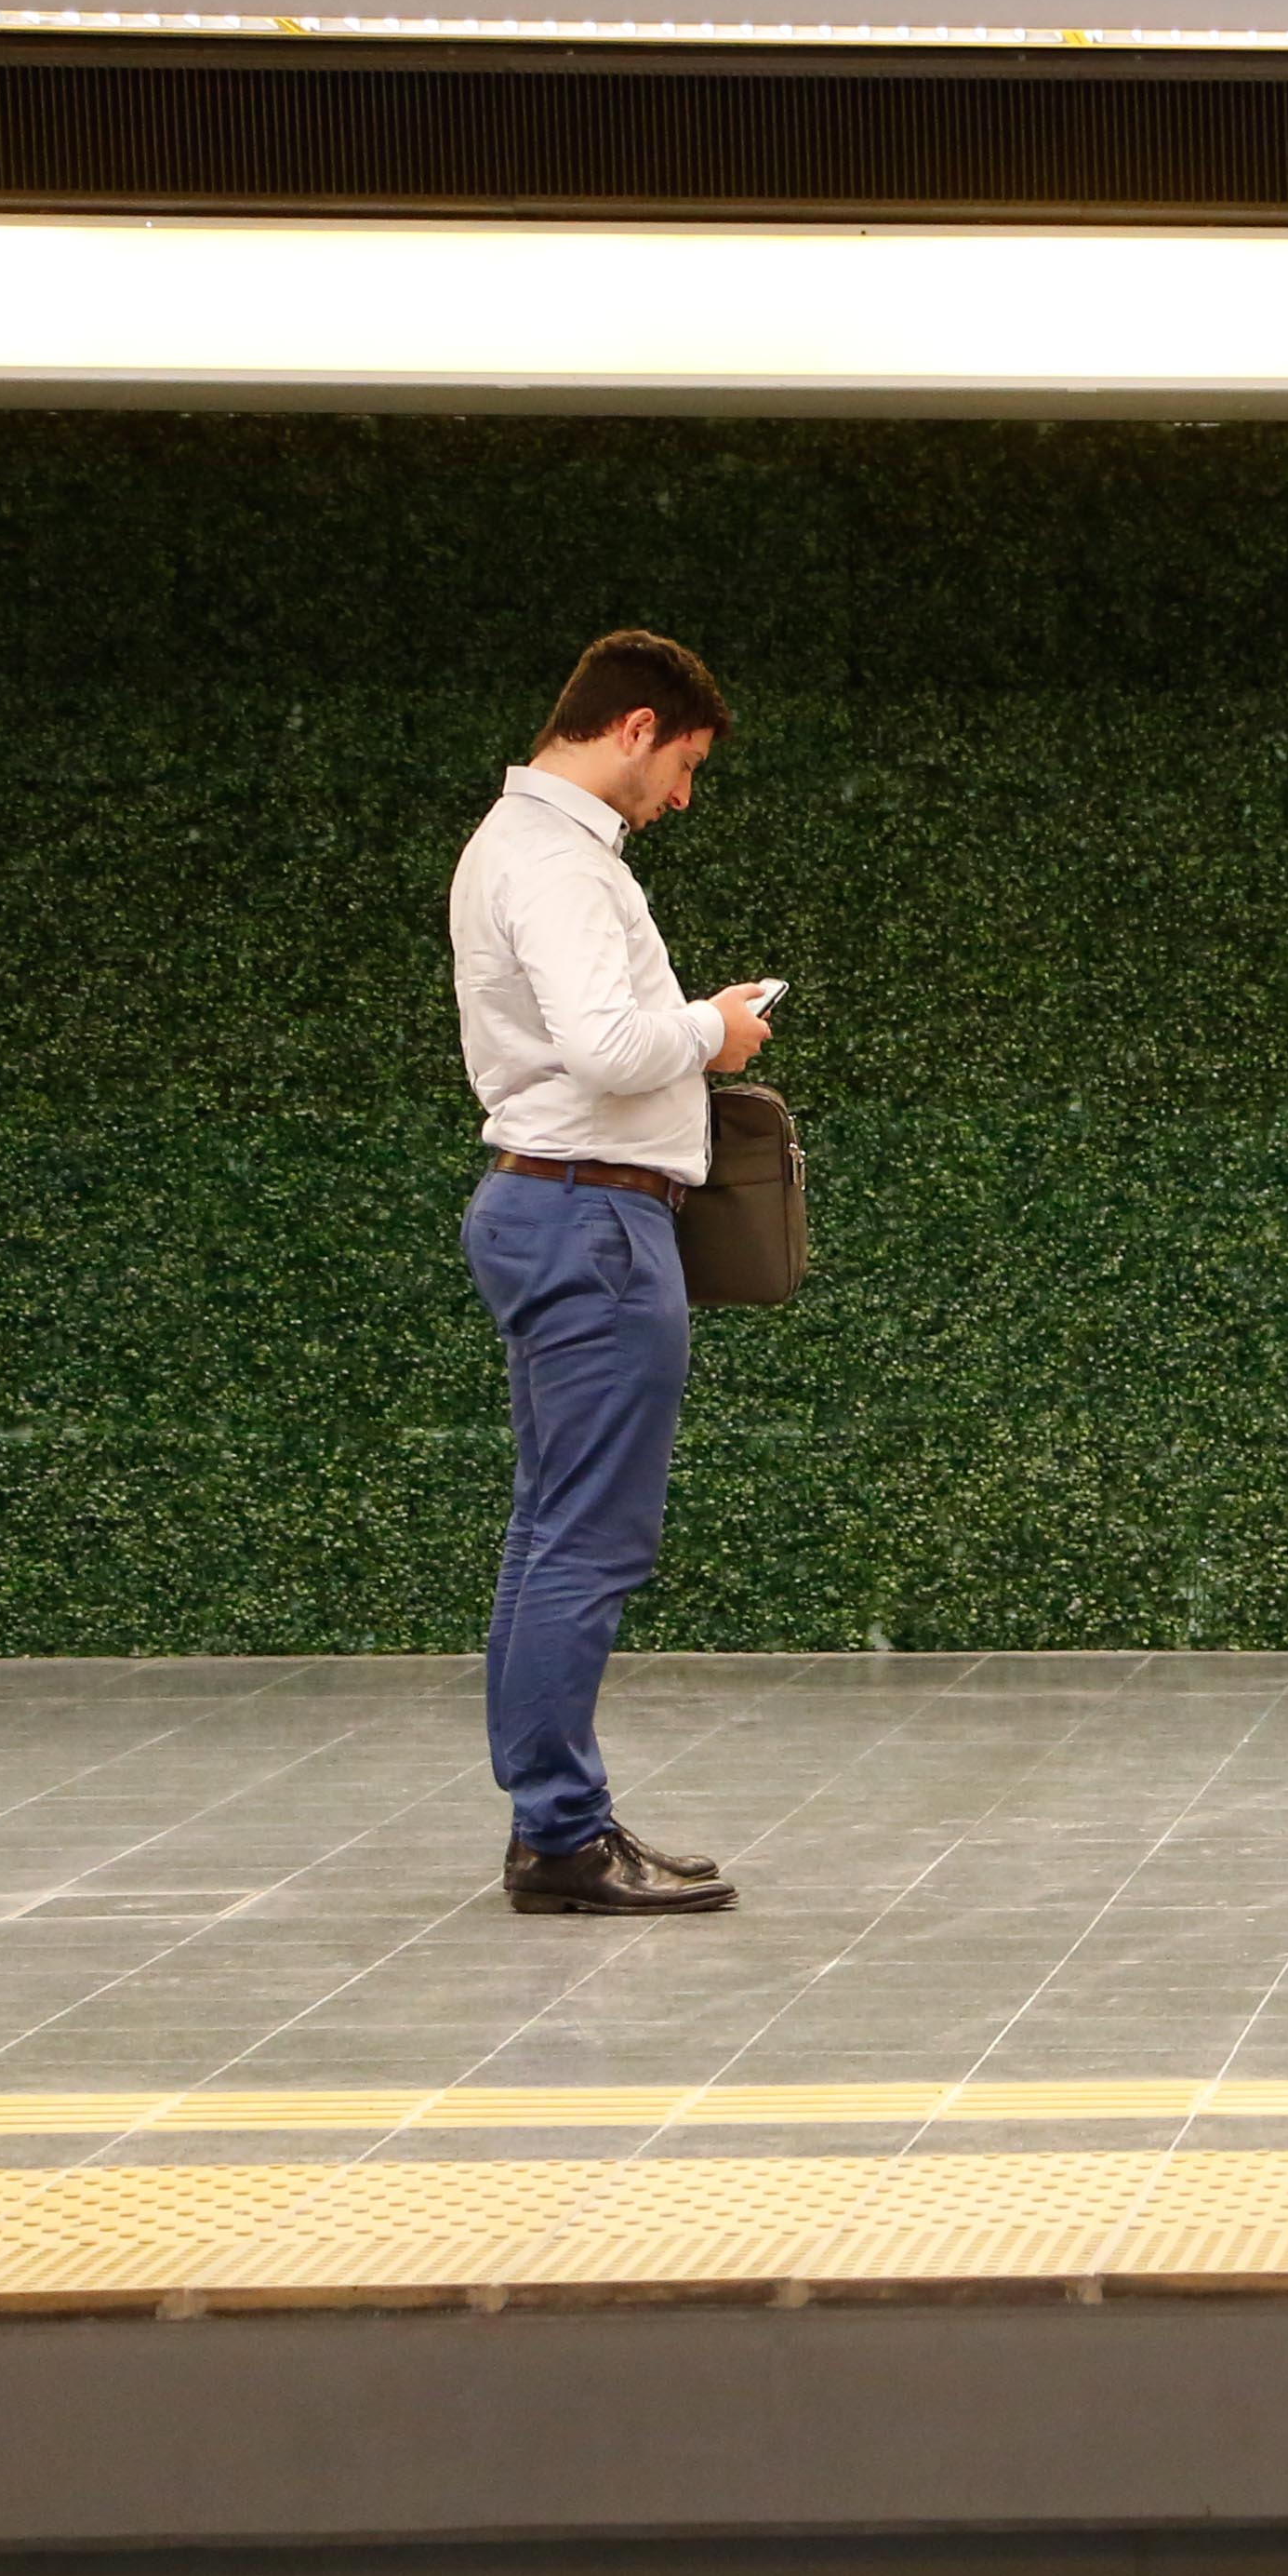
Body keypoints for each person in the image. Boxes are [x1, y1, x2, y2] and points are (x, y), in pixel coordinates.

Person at [448, 629, 779, 1919]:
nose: (683, 797)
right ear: (636, 728)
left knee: (554, 1532)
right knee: (586, 1540)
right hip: (590, 1216)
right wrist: (716, 1028)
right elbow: (603, 1045)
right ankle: (560, 1838)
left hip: (560, 1210)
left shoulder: (521, 850)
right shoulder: (559, 862)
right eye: (685, 764)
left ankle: (559, 1822)